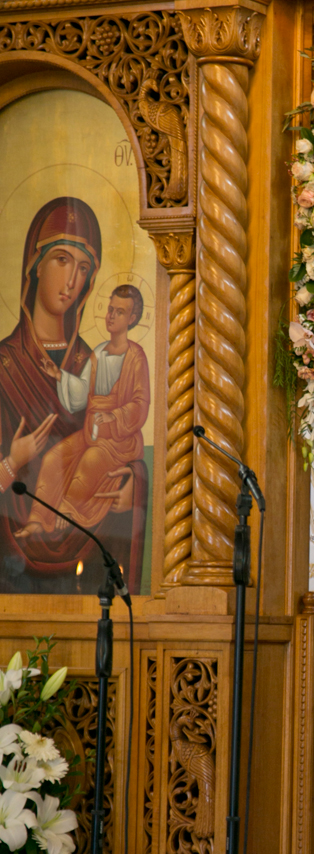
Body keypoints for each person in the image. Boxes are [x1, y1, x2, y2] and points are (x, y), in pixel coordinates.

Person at [0, 197, 103, 581]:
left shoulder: (94, 366)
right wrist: (12, 462)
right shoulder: (3, 366)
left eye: (83, 268)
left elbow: (113, 445)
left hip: (88, 545)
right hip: (11, 562)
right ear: (35, 266)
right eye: (61, 259)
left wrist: (128, 484)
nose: (72, 281)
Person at [15, 284, 150, 537]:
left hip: (119, 441)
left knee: (90, 462)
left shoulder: (136, 357)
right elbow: (82, 393)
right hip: (92, 432)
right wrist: (60, 377)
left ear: (132, 319)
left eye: (119, 312)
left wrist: (115, 415)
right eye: (110, 310)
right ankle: (37, 519)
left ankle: (69, 510)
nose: (111, 316)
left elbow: (141, 403)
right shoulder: (98, 352)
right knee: (54, 458)